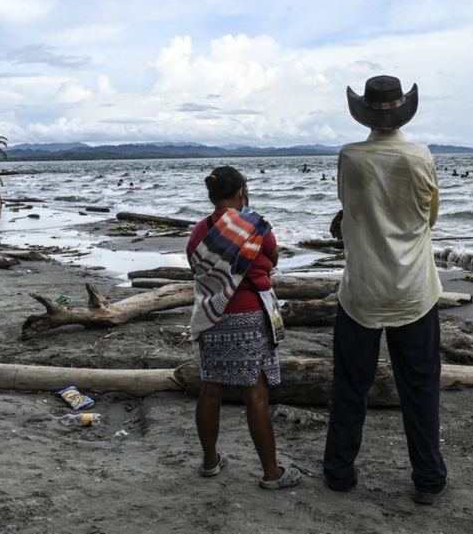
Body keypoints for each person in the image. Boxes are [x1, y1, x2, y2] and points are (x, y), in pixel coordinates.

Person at [324, 75, 447, 505]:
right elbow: (429, 219)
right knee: (420, 388)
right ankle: (427, 478)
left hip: (361, 291)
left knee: (350, 386)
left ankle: (339, 471)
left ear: (364, 114)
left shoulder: (350, 157)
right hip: (414, 290)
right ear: (403, 111)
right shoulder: (420, 157)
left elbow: (349, 207)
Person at [186, 165, 301, 490]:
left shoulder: (200, 230)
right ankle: (271, 473)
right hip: (252, 313)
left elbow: (196, 263)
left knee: (211, 388)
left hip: (213, 314)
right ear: (241, 192)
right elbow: (273, 257)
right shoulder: (256, 226)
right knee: (256, 393)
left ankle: (210, 462)